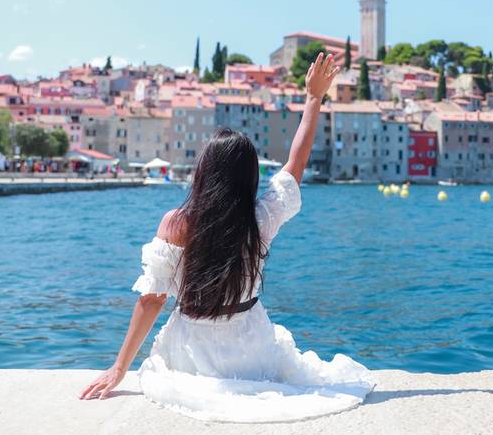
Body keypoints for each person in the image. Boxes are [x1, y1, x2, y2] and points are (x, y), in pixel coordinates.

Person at [79, 53, 374, 422]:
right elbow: (294, 166)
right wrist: (314, 99)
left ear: (204, 172)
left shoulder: (176, 223)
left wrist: (118, 368)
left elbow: (152, 300)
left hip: (192, 354)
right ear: (249, 176)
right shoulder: (261, 218)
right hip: (252, 349)